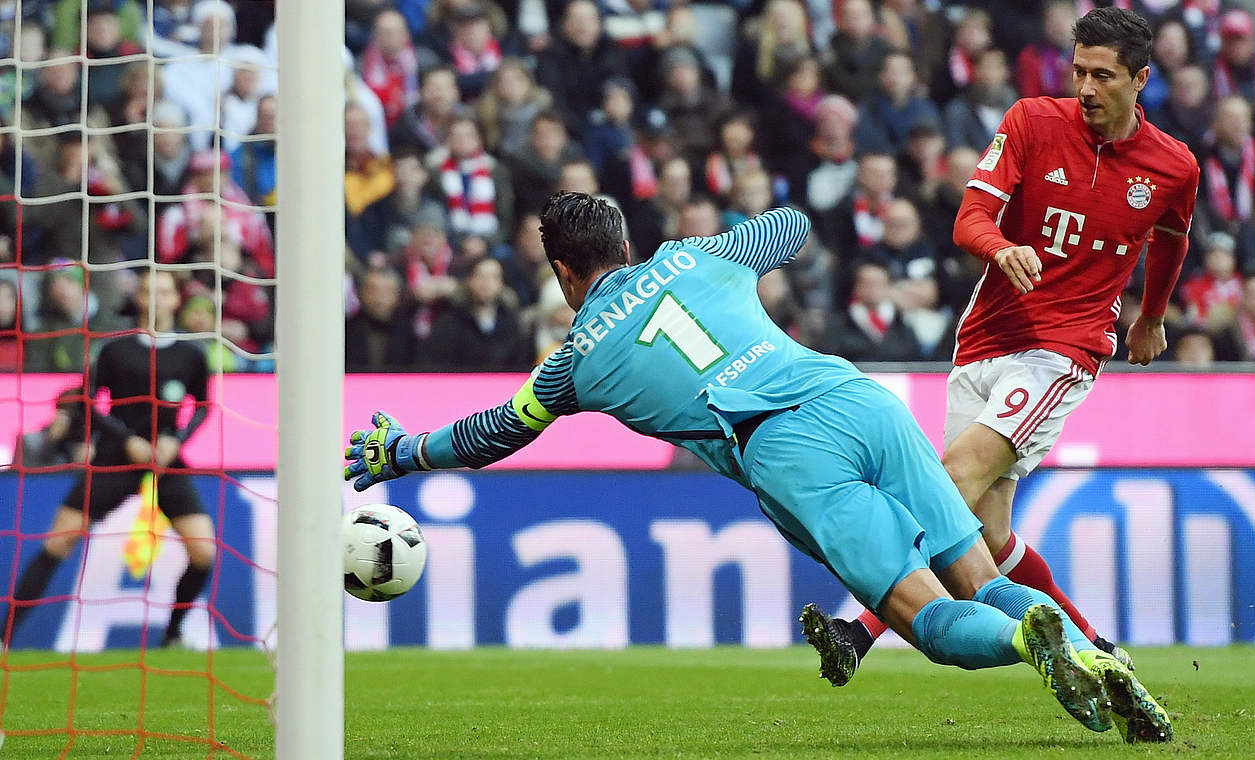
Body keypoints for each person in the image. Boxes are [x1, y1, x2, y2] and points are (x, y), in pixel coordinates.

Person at [345, 191, 1172, 742]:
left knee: (933, 626)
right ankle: (1090, 653)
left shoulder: (574, 361)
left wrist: (404, 451)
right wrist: (714, 243)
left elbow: (495, 432)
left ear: (564, 273)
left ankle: (1035, 644)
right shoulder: (695, 256)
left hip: (788, 451)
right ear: (626, 242)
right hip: (858, 398)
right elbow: (790, 226)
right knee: (982, 574)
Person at [804, 7, 1199, 704]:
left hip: (1062, 348)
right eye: (1077, 70)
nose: (1085, 86)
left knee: (947, 479)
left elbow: (1171, 238)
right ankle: (1098, 652)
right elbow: (969, 218)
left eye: (1102, 75)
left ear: (1140, 80)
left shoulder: (1172, 166)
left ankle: (858, 631)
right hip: (984, 338)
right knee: (987, 536)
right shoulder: (1031, 121)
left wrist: (1152, 317)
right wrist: (1001, 246)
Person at [2, 269, 214, 649]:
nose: (155, 298)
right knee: (58, 542)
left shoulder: (191, 354)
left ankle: (173, 634)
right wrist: (126, 438)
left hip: (164, 459)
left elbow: (202, 406)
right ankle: (4, 637)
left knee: (204, 551)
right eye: (148, 290)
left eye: (163, 291)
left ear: (175, 300)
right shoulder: (116, 349)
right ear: (140, 299)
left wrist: (176, 440)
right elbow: (88, 401)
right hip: (117, 455)